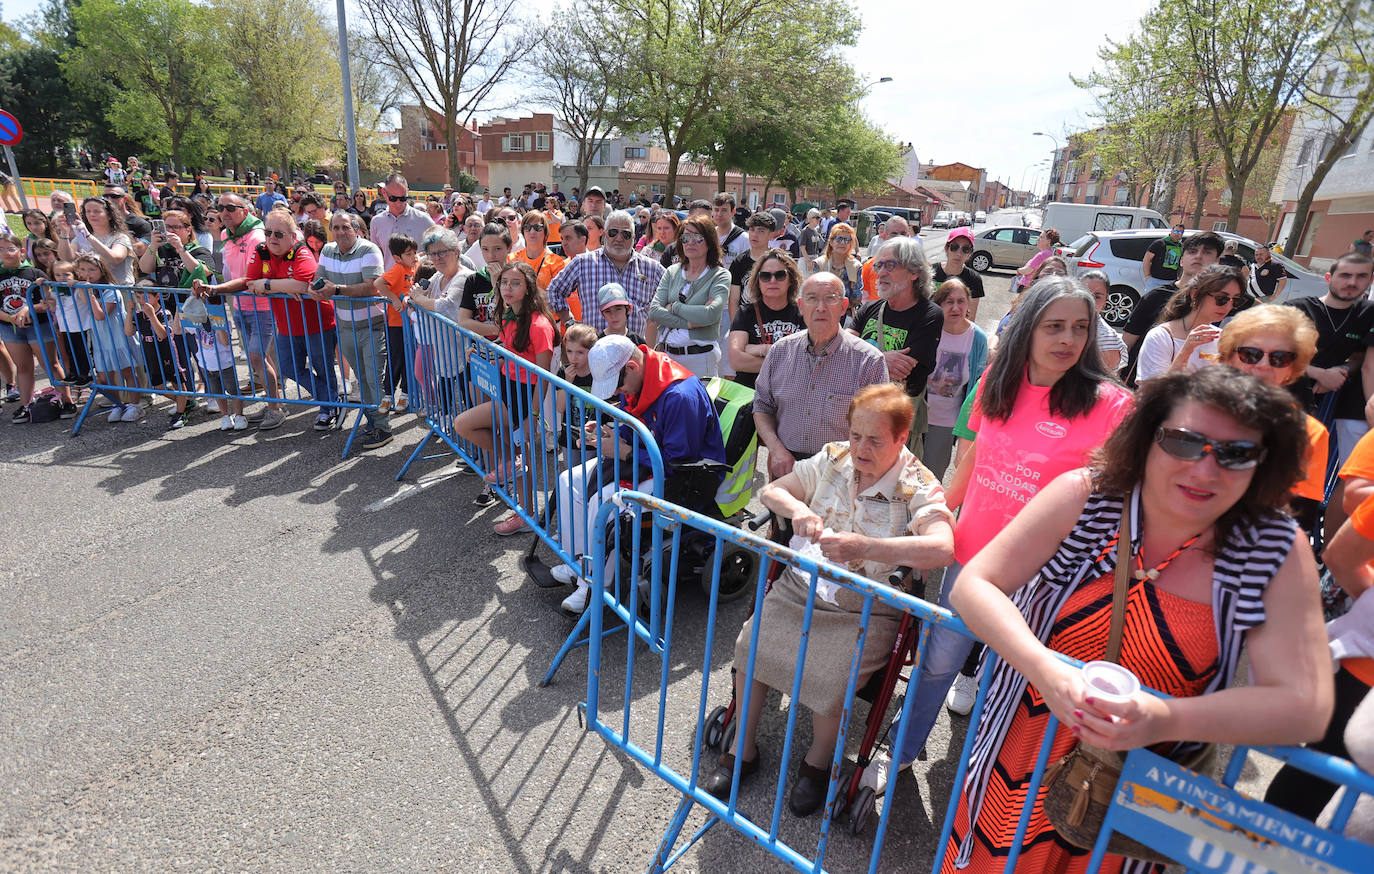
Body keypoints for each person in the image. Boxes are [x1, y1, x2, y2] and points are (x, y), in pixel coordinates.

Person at [942, 367, 1332, 874]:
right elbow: (976, 584)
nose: (1205, 471)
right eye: (1185, 443)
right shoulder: (1089, 495)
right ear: (1147, 437)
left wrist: (1166, 719)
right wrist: (1044, 667)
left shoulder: (1272, 549)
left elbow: (1305, 706)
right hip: (1021, 755)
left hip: (1143, 789)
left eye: (1237, 454)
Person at [865, 276, 1134, 797]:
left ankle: (991, 781)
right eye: (1054, 326)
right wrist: (934, 520)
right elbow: (973, 461)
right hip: (973, 560)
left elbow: (1116, 500)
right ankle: (901, 750)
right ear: (1028, 328)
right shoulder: (995, 382)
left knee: (1014, 685)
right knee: (940, 660)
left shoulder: (1111, 405)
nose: (1068, 339)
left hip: (1047, 575)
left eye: (1081, 328)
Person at [706, 383, 955, 815]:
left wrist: (867, 547)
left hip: (868, 600)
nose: (861, 447)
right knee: (750, 646)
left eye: (875, 440)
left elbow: (943, 548)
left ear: (901, 438)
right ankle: (741, 750)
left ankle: (817, 765)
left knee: (833, 676)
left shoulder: (917, 482)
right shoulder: (835, 456)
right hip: (805, 583)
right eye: (856, 434)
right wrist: (798, 510)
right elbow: (772, 492)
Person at [552, 334, 726, 614]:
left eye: (618, 384)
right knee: (566, 480)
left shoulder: (679, 395)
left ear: (631, 367)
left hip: (681, 477)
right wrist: (614, 432)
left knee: (604, 502)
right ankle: (576, 562)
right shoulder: (644, 372)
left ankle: (594, 585)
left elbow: (677, 465)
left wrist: (622, 451)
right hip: (650, 458)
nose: (618, 392)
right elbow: (639, 423)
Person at [196, 210, 338, 432]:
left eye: (279, 234)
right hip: (288, 326)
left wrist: (268, 285)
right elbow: (251, 282)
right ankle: (332, 399)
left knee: (323, 368)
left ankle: (327, 409)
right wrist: (218, 288)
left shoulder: (301, 251)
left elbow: (303, 285)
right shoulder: (262, 250)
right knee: (289, 367)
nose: (272, 238)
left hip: (317, 322)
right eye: (268, 232)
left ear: (293, 235)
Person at [753, 273, 889, 480]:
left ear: (844, 307)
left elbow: (880, 427)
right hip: (786, 467)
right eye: (812, 298)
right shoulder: (780, 352)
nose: (820, 307)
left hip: (841, 473)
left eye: (830, 298)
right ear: (800, 306)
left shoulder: (869, 361)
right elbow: (762, 407)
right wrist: (776, 450)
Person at [462, 262, 559, 534]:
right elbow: (509, 348)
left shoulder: (539, 325)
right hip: (507, 386)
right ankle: (525, 512)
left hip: (523, 396)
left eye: (515, 283)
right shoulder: (507, 315)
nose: (507, 288)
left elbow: (543, 374)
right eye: (504, 282)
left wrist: (534, 415)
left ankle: (512, 463)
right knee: (520, 455)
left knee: (464, 424)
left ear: (528, 288)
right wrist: (486, 350)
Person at [1218, 305, 1328, 532]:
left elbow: (1298, 517)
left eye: (1280, 358)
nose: (1263, 365)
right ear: (1228, 357)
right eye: (1250, 354)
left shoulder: (1307, 432)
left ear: (1292, 369)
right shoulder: (1188, 407)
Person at [849, 236, 943, 455]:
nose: (880, 272)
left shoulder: (929, 315)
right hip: (858, 417)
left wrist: (859, 358)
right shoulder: (868, 309)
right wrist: (882, 359)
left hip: (894, 429)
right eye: (879, 265)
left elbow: (902, 371)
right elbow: (841, 353)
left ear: (914, 272)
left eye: (890, 265)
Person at [1286, 250, 1374, 466]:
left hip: (1315, 406)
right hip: (1279, 397)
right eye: (1345, 275)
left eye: (1361, 276)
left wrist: (1340, 372)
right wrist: (1319, 374)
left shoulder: (1366, 314)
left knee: (1295, 468)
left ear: (1370, 281)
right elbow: (1269, 355)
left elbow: (1360, 359)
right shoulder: (1297, 309)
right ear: (1328, 278)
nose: (1352, 282)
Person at [311, 212, 391, 451]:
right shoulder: (327, 250)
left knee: (374, 378)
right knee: (361, 379)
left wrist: (335, 289)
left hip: (373, 326)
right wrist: (312, 288)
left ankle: (384, 427)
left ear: (355, 229)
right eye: (335, 227)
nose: (339, 232)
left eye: (345, 227)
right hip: (345, 326)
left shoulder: (369, 250)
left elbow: (372, 287)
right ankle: (372, 421)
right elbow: (318, 278)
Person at [217, 193, 285, 430]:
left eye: (230, 208)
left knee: (257, 357)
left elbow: (254, 276)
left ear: (244, 211)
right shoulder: (226, 235)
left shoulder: (258, 236)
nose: (224, 212)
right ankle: (272, 403)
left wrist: (218, 289)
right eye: (221, 208)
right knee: (260, 359)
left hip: (262, 307)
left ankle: (275, 408)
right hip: (238, 305)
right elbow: (228, 270)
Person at [546, 210, 666, 337]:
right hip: (593, 350)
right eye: (613, 232)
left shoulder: (652, 268)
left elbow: (674, 294)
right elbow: (553, 291)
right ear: (605, 234)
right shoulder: (583, 263)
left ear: (634, 237)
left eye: (625, 234)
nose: (619, 238)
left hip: (635, 352)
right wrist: (569, 322)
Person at [1121, 231, 1225, 374]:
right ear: (1182, 260)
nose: (1198, 256)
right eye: (1192, 251)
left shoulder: (1222, 300)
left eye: (1207, 252)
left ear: (1217, 262)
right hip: (1146, 380)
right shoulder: (1156, 296)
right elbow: (1127, 343)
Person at [647, 215, 729, 377]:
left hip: (700, 360)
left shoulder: (720, 276)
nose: (690, 242)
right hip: (667, 357)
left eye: (697, 238)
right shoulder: (672, 271)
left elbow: (710, 314)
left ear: (710, 241)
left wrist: (674, 307)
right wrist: (690, 323)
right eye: (685, 237)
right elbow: (654, 312)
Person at [922, 278, 988, 480]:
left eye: (961, 301)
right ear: (938, 304)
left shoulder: (977, 338)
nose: (955, 307)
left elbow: (977, 385)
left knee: (930, 478)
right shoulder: (928, 327)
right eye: (949, 301)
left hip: (946, 420)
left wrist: (967, 429)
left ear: (968, 304)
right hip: (916, 415)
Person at [0, 234, 69, 422]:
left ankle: (67, 400)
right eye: (1, 249)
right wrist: (11, 318)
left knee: (50, 363)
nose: (5, 252)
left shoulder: (35, 274)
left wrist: (27, 309)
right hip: (10, 327)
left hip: (39, 325)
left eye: (10, 248)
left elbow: (49, 301)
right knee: (23, 367)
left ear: (21, 252)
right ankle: (26, 404)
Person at [1135, 264, 1242, 381]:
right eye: (1221, 298)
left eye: (1236, 300)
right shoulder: (1161, 336)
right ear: (1195, 295)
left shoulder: (1224, 339)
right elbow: (1151, 392)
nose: (1228, 306)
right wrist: (1185, 352)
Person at [75, 252, 143, 421]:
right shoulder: (86, 288)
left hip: (117, 335)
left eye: (91, 269)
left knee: (127, 370)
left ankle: (135, 405)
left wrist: (89, 294)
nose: (87, 274)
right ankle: (117, 404)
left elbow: (100, 315)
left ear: (101, 270)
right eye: (82, 269)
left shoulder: (111, 289)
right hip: (101, 338)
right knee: (105, 374)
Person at [728, 251, 805, 390]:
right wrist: (769, 351)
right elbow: (736, 360)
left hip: (790, 396)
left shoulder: (803, 313)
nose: (772, 281)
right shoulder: (745, 312)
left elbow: (807, 361)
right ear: (758, 281)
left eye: (780, 275)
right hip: (750, 395)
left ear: (791, 280)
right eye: (765, 276)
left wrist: (753, 349)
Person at [375, 233, 419, 415]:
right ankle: (388, 394)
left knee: (409, 358)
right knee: (396, 358)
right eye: (409, 254)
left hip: (410, 323)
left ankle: (406, 393)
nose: (414, 256)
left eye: (414, 252)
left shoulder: (413, 267)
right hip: (395, 324)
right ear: (397, 257)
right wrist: (394, 300)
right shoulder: (398, 269)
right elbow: (379, 283)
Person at [57, 196, 136, 286]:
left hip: (119, 289)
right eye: (88, 211)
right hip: (92, 290)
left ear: (109, 215)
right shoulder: (80, 237)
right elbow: (66, 258)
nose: (92, 215)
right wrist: (64, 233)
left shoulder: (120, 237)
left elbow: (115, 258)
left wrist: (88, 235)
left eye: (97, 211)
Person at [457, 222, 513, 342]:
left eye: (497, 249)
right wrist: (495, 329)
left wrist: (497, 285)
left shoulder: (517, 277)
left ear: (509, 248)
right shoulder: (474, 280)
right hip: (481, 353)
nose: (491, 255)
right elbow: (463, 321)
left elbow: (514, 321)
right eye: (485, 249)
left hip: (509, 354)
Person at [369, 174, 435, 271]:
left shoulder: (424, 220)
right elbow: (376, 257)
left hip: (416, 282)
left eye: (403, 198)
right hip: (389, 282)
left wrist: (420, 258)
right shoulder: (376, 222)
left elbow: (437, 250)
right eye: (393, 198)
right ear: (384, 192)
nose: (398, 203)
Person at [934, 227, 987, 320]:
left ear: (970, 253)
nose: (959, 253)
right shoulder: (930, 272)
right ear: (946, 248)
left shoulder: (974, 279)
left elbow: (971, 318)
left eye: (965, 249)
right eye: (954, 247)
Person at [1079, 269, 1127, 372]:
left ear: (1106, 300)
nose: (1090, 300)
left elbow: (1099, 381)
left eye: (1097, 297)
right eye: (1084, 293)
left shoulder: (1107, 338)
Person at [810, 222, 863, 308]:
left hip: (846, 312)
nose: (843, 243)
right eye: (839, 239)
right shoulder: (819, 264)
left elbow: (857, 296)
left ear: (851, 244)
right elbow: (813, 293)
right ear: (831, 241)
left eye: (847, 240)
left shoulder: (856, 266)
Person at [513, 211, 566, 291]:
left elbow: (558, 295)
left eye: (537, 227)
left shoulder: (556, 263)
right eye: (527, 227)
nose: (532, 232)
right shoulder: (512, 259)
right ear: (523, 232)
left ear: (545, 232)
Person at [1142, 222, 1186, 292]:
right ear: (1171, 231)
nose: (1177, 234)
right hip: (1155, 281)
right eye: (1175, 231)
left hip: (1171, 281)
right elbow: (1147, 259)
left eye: (1180, 232)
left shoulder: (1181, 247)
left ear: (1182, 235)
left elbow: (1182, 265)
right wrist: (1147, 276)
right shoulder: (1159, 243)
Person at [1014, 227, 1060, 291]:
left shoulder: (1041, 255)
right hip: (1040, 288)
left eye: (1041, 237)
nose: (1038, 239)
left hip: (1028, 287)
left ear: (1048, 241)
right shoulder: (1051, 253)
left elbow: (1027, 270)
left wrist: (1019, 270)